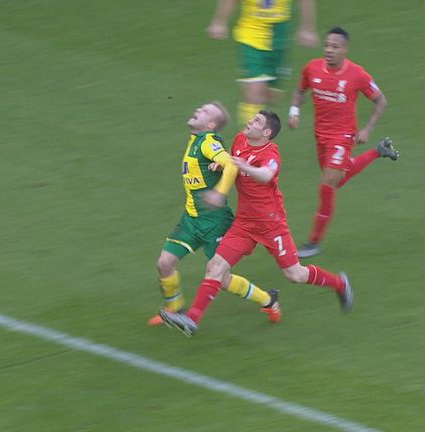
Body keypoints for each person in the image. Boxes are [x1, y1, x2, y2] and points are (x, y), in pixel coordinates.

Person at [159, 111, 352, 337]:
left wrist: (243, 166)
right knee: (215, 268)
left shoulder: (272, 153)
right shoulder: (241, 139)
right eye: (252, 119)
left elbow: (265, 175)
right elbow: (232, 163)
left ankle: (340, 284)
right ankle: (191, 319)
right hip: (244, 223)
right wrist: (222, 166)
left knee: (295, 274)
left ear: (267, 132)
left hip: (271, 225)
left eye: (257, 121)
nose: (250, 121)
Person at [148, 102, 282, 327]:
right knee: (164, 263)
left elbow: (230, 165)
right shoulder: (196, 141)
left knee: (222, 279)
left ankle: (268, 300)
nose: (198, 110)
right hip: (191, 219)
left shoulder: (208, 143)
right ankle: (174, 308)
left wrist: (219, 193)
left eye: (205, 111)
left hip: (215, 222)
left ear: (210, 124)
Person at [287, 27, 399, 258]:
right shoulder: (312, 68)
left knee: (327, 186)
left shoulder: (357, 74)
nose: (329, 50)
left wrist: (367, 128)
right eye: (327, 45)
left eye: (335, 47)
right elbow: (300, 91)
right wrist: (294, 111)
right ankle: (378, 152)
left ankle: (313, 242)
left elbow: (381, 101)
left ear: (345, 49)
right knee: (337, 181)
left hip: (343, 137)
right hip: (321, 136)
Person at [207, 0, 319, 127]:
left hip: (279, 36)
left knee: (271, 97)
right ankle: (249, 144)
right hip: (251, 33)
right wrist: (220, 21)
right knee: (254, 95)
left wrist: (307, 27)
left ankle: (259, 133)